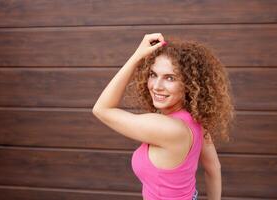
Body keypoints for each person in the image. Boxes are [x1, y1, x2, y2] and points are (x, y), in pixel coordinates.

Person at [92, 33, 234, 200]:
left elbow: (101, 109)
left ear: (188, 85)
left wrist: (137, 56)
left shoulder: (167, 128)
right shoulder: (194, 120)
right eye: (153, 75)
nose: (157, 86)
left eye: (170, 78)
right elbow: (213, 167)